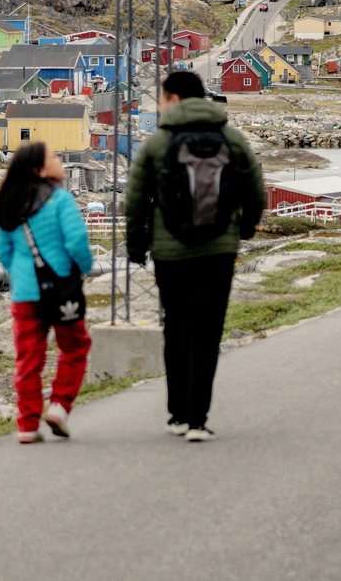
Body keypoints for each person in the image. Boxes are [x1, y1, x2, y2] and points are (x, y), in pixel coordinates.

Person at [125, 71, 265, 442]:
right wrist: (244, 229)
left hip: (171, 253)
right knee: (207, 330)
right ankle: (198, 419)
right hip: (219, 251)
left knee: (177, 326)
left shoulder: (157, 143)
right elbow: (256, 191)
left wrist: (137, 245)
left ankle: (178, 414)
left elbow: (135, 200)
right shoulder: (232, 138)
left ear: (173, 99)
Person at [0, 142, 93, 444]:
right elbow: (76, 241)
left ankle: (27, 425)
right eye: (53, 157)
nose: (60, 159)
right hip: (61, 289)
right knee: (75, 348)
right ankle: (59, 406)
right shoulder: (60, 199)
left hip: (25, 295)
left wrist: (24, 275)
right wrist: (81, 270)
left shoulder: (10, 201)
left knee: (28, 359)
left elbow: (2, 249)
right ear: (40, 169)